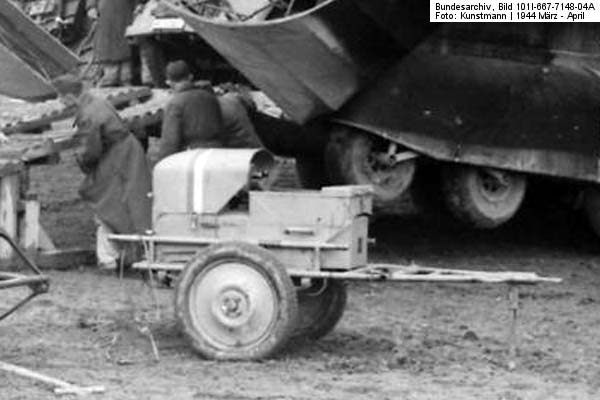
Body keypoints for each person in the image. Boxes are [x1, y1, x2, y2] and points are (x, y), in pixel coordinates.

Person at [52, 73, 152, 270]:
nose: (59, 101)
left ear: (70, 97)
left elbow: (91, 151)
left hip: (116, 157)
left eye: (60, 96)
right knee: (135, 202)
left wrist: (80, 160)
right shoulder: (98, 102)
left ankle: (109, 257)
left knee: (108, 203)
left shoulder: (88, 115)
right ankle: (134, 253)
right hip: (128, 152)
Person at [156, 60, 224, 161]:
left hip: (192, 157)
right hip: (217, 153)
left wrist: (161, 165)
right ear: (190, 77)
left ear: (169, 83)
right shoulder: (210, 97)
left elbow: (170, 142)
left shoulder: (175, 104)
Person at [86, 0, 138, 87]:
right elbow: (91, 5)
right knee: (111, 73)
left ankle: (125, 81)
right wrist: (91, 7)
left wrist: (138, 5)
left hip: (125, 15)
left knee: (126, 70)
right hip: (106, 17)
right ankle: (109, 80)